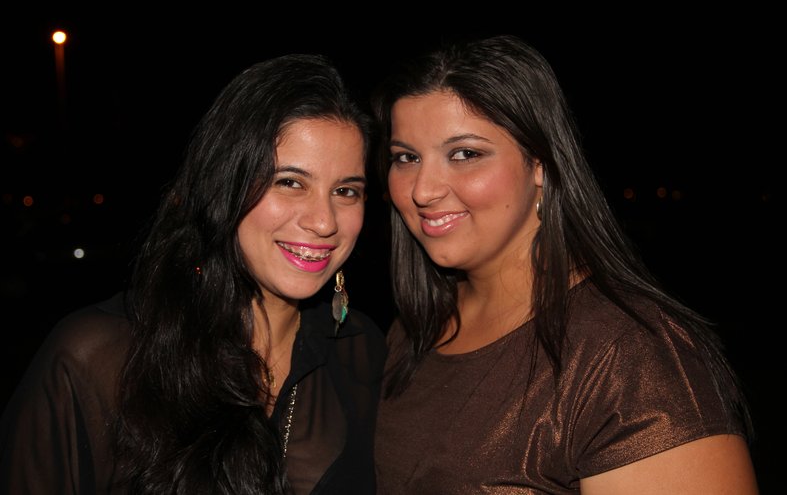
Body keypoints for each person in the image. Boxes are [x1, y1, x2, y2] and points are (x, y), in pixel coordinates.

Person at [371, 34, 759, 494]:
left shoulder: (631, 355)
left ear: (540, 164)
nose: (422, 189)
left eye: (465, 154)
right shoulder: (414, 327)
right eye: (406, 158)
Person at [0, 54, 386, 494]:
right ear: (224, 184)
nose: (324, 221)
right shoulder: (99, 359)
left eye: (346, 190)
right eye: (289, 182)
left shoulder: (362, 351)